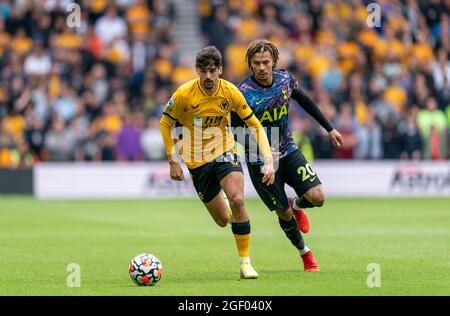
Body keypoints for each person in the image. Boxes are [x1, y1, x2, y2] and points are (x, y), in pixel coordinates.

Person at [159, 46, 275, 279]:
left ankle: (245, 264)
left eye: (213, 70)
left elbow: (254, 124)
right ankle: (232, 215)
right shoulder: (184, 94)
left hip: (224, 152)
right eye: (204, 71)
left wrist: (268, 160)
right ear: (197, 71)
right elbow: (165, 123)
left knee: (238, 200)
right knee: (223, 220)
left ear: (220, 70)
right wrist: (173, 161)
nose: (209, 76)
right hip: (196, 162)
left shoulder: (230, 92)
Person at [231, 39, 344, 271]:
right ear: (250, 65)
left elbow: (306, 101)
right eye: (256, 63)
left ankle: (298, 205)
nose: (261, 67)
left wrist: (329, 128)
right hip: (259, 160)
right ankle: (306, 253)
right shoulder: (242, 93)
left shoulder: (285, 80)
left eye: (265, 62)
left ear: (274, 62)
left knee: (318, 196)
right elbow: (235, 131)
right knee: (282, 212)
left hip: (287, 148)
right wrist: (263, 153)